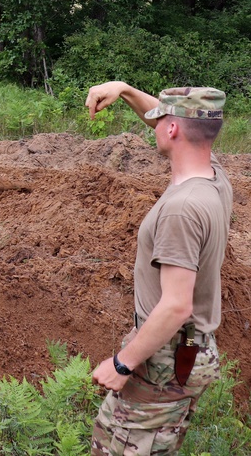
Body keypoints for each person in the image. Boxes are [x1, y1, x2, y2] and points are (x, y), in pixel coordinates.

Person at [86, 81, 232, 455]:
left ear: (172, 129)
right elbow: (177, 122)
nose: (158, 124)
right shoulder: (214, 179)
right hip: (189, 350)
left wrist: (122, 363)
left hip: (166, 357)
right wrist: (126, 90)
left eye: (163, 119)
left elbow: (176, 305)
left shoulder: (181, 210)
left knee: (117, 446)